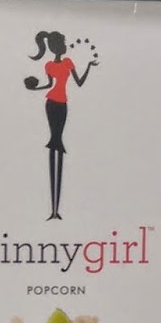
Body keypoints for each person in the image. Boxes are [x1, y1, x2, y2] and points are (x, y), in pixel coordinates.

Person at [24, 30, 98, 220]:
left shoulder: (67, 62)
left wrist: (88, 66)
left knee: (58, 141)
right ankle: (54, 210)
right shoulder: (49, 65)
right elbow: (49, 85)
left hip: (62, 103)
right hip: (51, 103)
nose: (65, 45)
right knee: (54, 141)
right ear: (56, 46)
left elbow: (79, 82)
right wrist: (34, 88)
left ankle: (56, 209)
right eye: (63, 42)